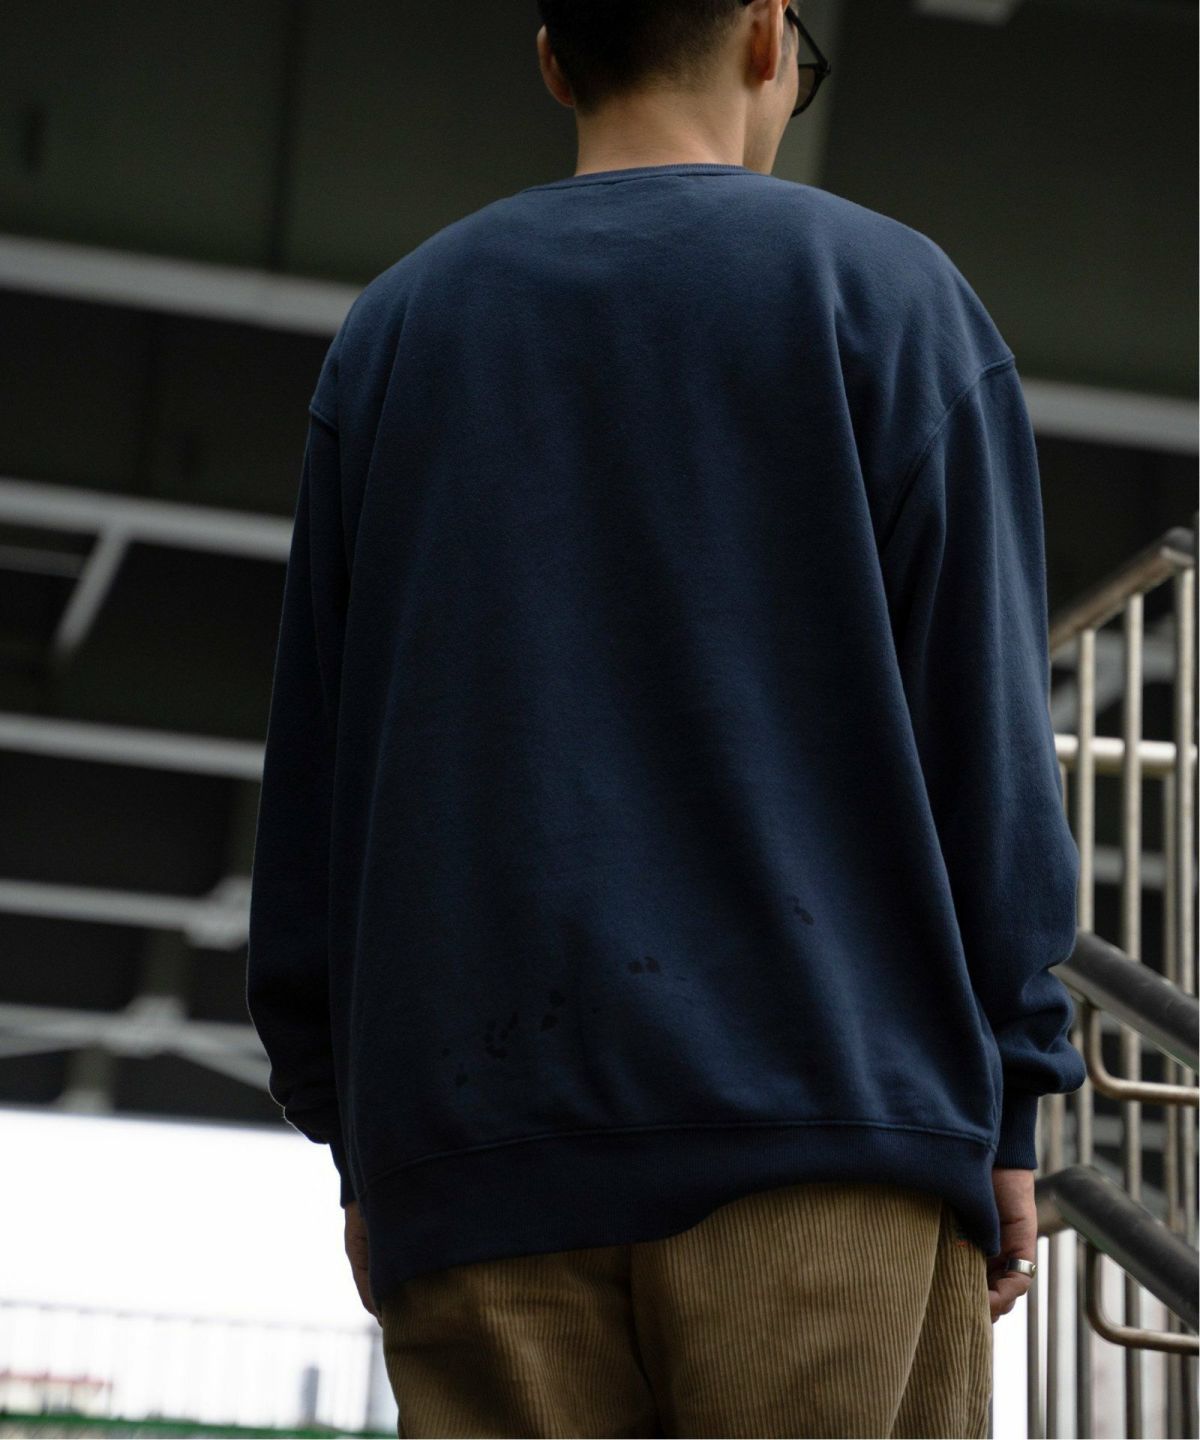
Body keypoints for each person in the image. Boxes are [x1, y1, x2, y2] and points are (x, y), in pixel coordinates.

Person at [245, 1, 1086, 1434]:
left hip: (481, 1163)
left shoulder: (397, 331)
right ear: (766, 38)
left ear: (553, 59)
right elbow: (985, 744)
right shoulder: (893, 297)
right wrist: (1013, 1090)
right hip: (829, 1146)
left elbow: (318, 782)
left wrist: (362, 1138)